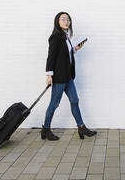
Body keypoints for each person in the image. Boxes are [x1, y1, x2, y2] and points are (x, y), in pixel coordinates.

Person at [41, 11, 97, 140]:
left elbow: (64, 56)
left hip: (68, 77)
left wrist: (75, 49)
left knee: (75, 100)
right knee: (54, 104)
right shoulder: (55, 37)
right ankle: (46, 129)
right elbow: (51, 56)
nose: (67, 21)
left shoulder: (65, 37)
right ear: (57, 21)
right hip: (59, 78)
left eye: (68, 19)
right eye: (63, 19)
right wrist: (49, 75)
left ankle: (81, 127)